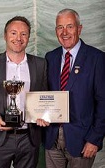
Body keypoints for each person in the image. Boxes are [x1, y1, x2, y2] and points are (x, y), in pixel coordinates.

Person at [0, 16, 48, 168]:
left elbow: (44, 96)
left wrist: (44, 114)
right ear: (5, 35)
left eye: (24, 34)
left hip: (29, 138)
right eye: (13, 33)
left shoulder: (40, 64)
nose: (18, 38)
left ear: (28, 37)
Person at [42, 8, 105, 168]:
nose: (64, 32)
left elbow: (103, 102)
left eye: (69, 26)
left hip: (83, 140)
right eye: (60, 27)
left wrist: (94, 139)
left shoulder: (97, 58)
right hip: (52, 138)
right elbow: (45, 94)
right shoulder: (50, 57)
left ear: (79, 28)